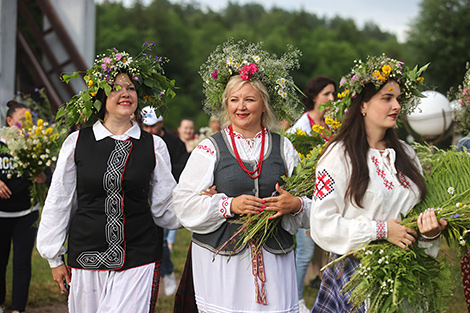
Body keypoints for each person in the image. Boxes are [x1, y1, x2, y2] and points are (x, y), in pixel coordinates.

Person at [36, 44, 179, 313]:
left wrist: (200, 203)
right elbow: (60, 200)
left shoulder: (153, 146)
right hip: (86, 255)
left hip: (139, 255)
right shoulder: (77, 142)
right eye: (116, 88)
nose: (125, 93)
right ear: (101, 97)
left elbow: (165, 206)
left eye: (131, 88)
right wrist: (54, 257)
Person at [173, 39, 310, 312]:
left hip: (274, 259)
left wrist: (295, 205)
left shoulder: (284, 147)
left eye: (249, 99)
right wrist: (228, 205)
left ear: (264, 104)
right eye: (234, 100)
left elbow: (313, 203)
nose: (241, 107)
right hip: (224, 264)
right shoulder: (209, 148)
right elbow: (182, 203)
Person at [309, 55, 447, 312]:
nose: (396, 105)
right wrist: (381, 231)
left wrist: (430, 233)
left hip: (405, 276)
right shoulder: (338, 156)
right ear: (362, 105)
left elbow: (418, 213)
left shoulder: (406, 154)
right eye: (386, 98)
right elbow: (322, 223)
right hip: (357, 276)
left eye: (397, 99)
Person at [287, 76, 336, 313]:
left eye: (333, 94)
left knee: (328, 251)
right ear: (314, 97)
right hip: (306, 197)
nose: (331, 99)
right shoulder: (300, 128)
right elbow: (293, 169)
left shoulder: (332, 125)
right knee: (304, 252)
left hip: (330, 197)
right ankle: (295, 300)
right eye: (326, 94)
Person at [0, 101, 49, 313]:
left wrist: (42, 176)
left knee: (22, 263)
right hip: (1, 214)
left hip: (26, 213)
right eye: (22, 119)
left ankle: (18, 309)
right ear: (9, 121)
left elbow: (49, 172)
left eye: (29, 120)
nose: (25, 124)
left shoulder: (35, 145)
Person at [141, 106, 189, 296]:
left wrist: (162, 172)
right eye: (146, 126)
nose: (150, 130)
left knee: (161, 240)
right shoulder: (140, 141)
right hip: (144, 197)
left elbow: (183, 166)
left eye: (153, 126)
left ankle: (166, 273)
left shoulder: (174, 143)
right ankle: (161, 274)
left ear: (161, 123)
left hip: (170, 196)